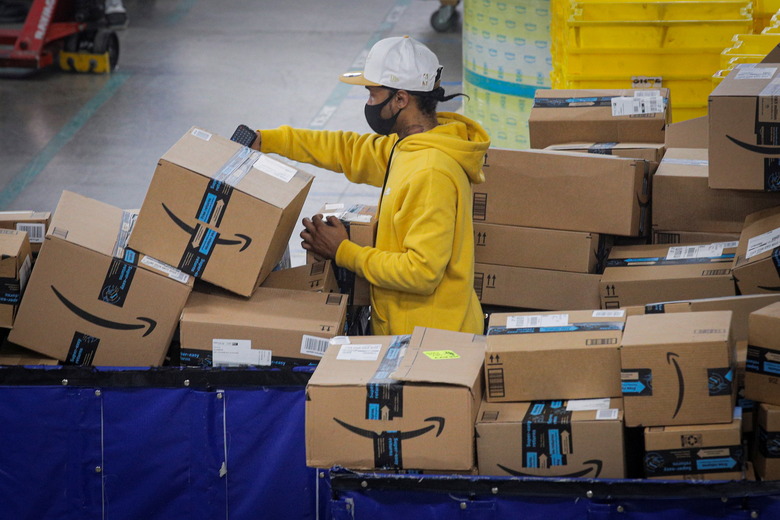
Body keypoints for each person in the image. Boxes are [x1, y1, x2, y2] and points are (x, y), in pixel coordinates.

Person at [247, 35, 490, 335]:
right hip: (408, 328)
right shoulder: (407, 147)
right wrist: (269, 140)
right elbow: (345, 150)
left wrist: (343, 250)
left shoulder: (430, 173)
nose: (369, 104)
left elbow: (421, 272)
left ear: (401, 99)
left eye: (373, 94)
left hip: (431, 341)